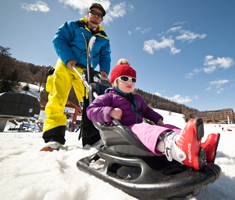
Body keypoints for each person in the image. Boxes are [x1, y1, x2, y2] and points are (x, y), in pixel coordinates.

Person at [86, 59, 219, 170]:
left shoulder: (137, 98)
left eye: (133, 80)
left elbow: (147, 111)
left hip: (138, 131)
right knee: (144, 128)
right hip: (122, 134)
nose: (130, 82)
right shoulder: (109, 97)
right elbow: (90, 111)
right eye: (125, 78)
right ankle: (180, 151)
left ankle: (198, 147)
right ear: (114, 81)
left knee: (167, 127)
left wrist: (158, 119)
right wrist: (110, 112)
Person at [41, 3, 111, 151]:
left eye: (100, 15)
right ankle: (53, 138)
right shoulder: (73, 25)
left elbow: (105, 55)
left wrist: (104, 69)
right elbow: (59, 39)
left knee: (90, 102)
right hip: (66, 65)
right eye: (94, 12)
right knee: (57, 97)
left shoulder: (103, 38)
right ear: (88, 13)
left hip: (86, 70)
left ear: (102, 19)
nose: (96, 16)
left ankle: (92, 139)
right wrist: (68, 58)